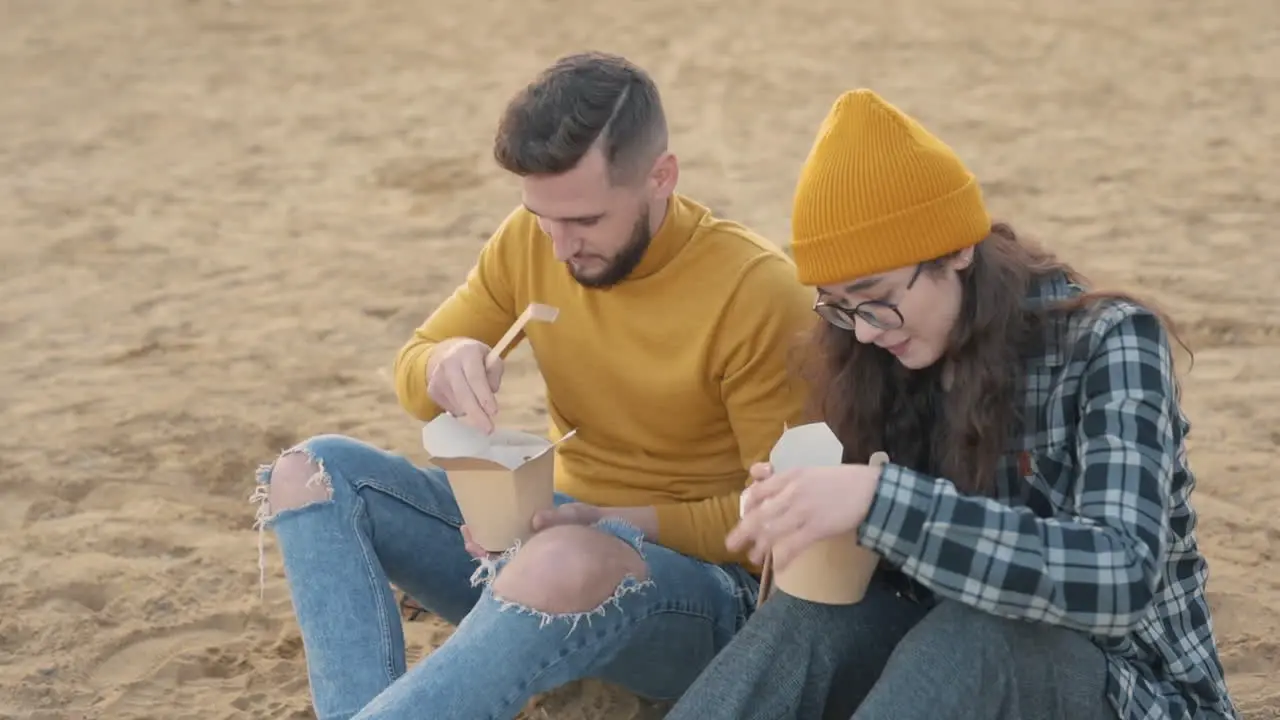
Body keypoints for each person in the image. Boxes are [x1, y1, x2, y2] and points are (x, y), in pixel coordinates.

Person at [250, 51, 816, 720]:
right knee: (311, 472)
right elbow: (416, 369)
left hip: (701, 594)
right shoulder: (530, 238)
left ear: (661, 177)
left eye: (585, 221)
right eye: (543, 216)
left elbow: (785, 524)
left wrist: (602, 524)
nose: (559, 247)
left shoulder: (757, 292)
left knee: (559, 556)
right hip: (540, 536)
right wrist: (445, 362)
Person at [663, 89, 1239, 720]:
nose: (863, 330)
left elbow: (1118, 579)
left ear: (958, 249)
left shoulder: (1111, 343)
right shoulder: (873, 356)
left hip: (1127, 690)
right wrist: (808, 515)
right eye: (839, 305)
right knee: (811, 622)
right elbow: (892, 592)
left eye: (875, 295)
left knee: (978, 636)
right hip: (940, 679)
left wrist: (881, 503)